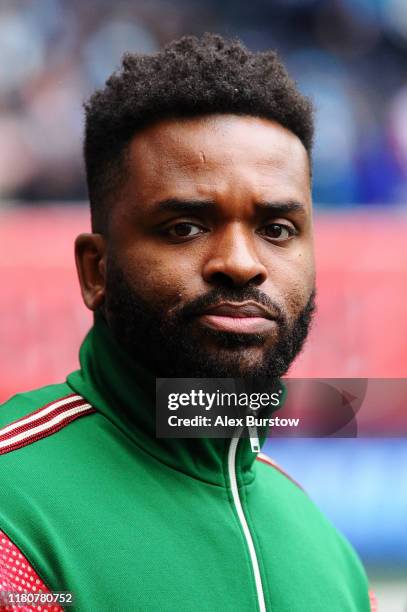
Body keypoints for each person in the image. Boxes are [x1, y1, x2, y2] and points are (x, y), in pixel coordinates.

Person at [0, 34, 375, 611]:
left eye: (276, 229)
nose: (242, 265)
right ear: (96, 270)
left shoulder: (329, 555)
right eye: (184, 227)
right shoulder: (15, 515)